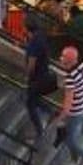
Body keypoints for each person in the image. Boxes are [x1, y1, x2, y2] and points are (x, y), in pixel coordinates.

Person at [24, 12, 56, 141]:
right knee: (33, 100)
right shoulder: (40, 37)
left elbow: (32, 63)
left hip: (37, 78)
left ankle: (39, 131)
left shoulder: (34, 42)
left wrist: (27, 75)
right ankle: (51, 113)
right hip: (45, 75)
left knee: (30, 103)